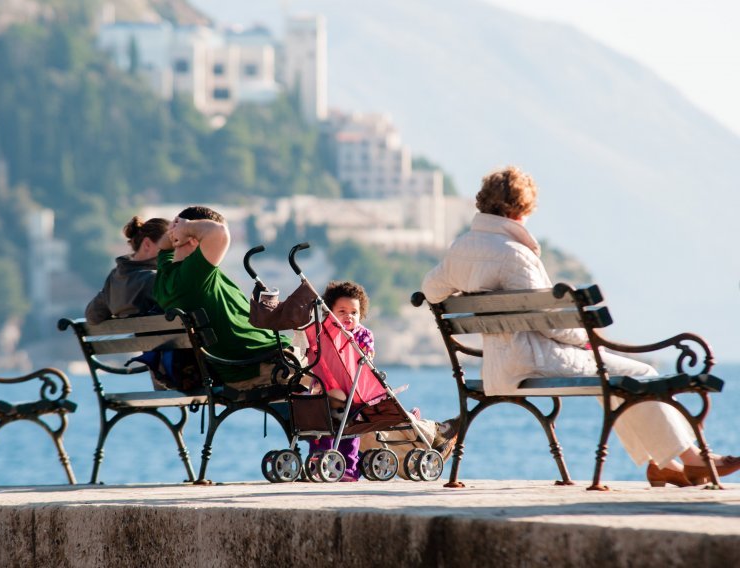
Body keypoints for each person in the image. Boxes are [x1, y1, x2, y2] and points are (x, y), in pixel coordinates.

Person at [421, 165, 739, 487]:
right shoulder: (515, 254)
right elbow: (551, 325)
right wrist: (588, 340)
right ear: (519, 211)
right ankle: (692, 460)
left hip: (499, 366)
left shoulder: (460, 249)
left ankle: (666, 465)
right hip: (534, 360)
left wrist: (475, 296)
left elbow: (432, 290)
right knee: (640, 375)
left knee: (618, 378)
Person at [313, 281, 459, 481]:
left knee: (359, 418)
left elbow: (366, 364)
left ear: (361, 314)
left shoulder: (362, 335)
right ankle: (417, 421)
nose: (349, 316)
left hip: (358, 388)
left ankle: (415, 422)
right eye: (342, 311)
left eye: (354, 313)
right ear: (330, 312)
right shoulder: (325, 335)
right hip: (331, 389)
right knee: (321, 411)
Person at [153, 205, 291, 389]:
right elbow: (220, 233)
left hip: (244, 369)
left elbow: (162, 244)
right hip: (263, 365)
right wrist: (185, 228)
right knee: (337, 380)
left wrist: (178, 229)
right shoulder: (193, 276)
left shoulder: (166, 276)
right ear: (194, 240)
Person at [85, 216, 169, 325]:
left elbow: (92, 316)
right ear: (147, 244)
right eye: (169, 246)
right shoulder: (156, 279)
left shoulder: (115, 278)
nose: (174, 252)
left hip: (138, 342)